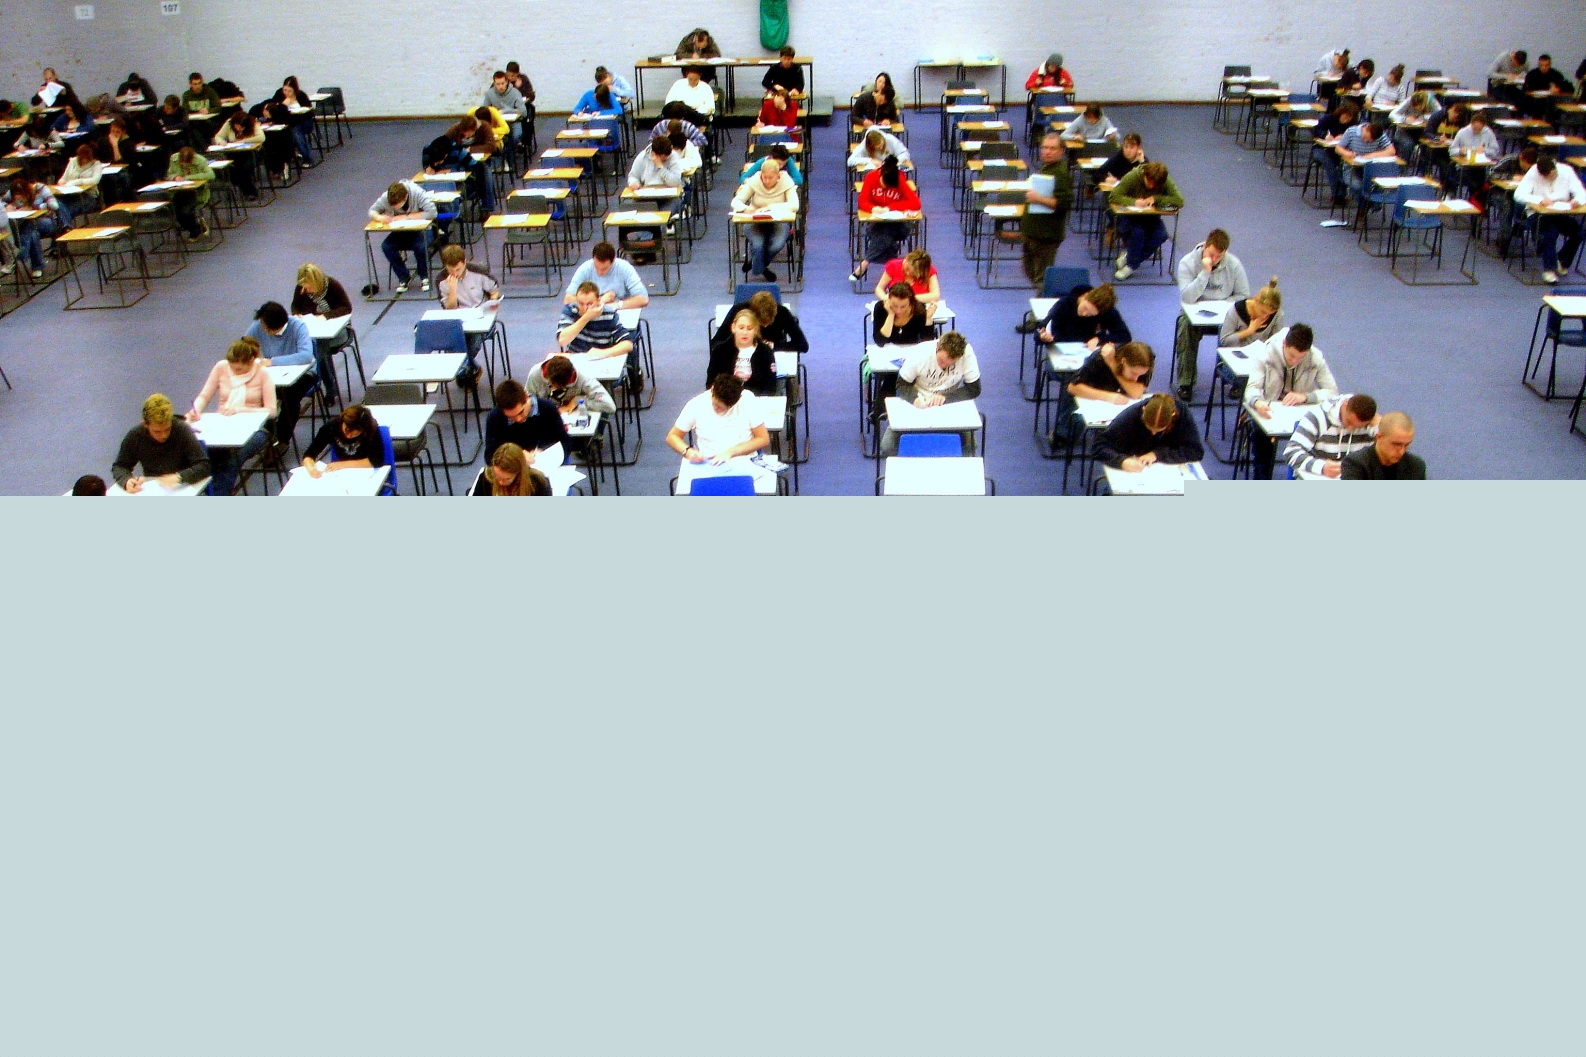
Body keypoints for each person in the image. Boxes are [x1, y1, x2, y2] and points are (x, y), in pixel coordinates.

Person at [1243, 324, 1338, 479]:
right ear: (1284, 344)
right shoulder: (1265, 354)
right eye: (1291, 356)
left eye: (1301, 357)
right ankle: (1261, 477)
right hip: (1269, 410)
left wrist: (1306, 397)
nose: (1295, 361)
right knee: (1261, 441)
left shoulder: (1315, 358)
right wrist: (1257, 402)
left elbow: (1332, 392)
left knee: (1320, 437)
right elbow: (1252, 388)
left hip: (1299, 411)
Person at [187, 337, 277, 495]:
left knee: (232, 459)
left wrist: (241, 410)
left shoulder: (263, 373)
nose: (235, 372)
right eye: (232, 368)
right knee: (208, 456)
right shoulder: (221, 367)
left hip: (256, 429)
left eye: (240, 369)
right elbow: (205, 396)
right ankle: (215, 492)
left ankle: (219, 495)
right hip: (224, 425)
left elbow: (271, 411)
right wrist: (196, 410)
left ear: (251, 361)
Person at [1172, 228, 1250, 398]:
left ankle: (1236, 379)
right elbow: (1187, 297)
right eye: (1211, 254)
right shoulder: (1187, 263)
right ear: (1205, 246)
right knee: (1184, 326)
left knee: (1244, 326)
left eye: (1219, 256)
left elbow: (1243, 297)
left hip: (1225, 316)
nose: (1214, 259)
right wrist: (1205, 272)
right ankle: (1186, 382)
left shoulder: (1234, 265)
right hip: (1194, 315)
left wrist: (1224, 305)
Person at [881, 331, 983, 456]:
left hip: (949, 403)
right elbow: (901, 384)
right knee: (887, 446)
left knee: (970, 445)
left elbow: (974, 389)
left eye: (951, 363)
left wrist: (945, 398)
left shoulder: (967, 354)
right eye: (941, 360)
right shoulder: (920, 352)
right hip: (919, 400)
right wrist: (914, 399)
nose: (943, 366)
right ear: (937, 347)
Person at [246, 300, 322, 441]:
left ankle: (282, 439)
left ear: (273, 329)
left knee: (290, 396)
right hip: (272, 375)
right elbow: (244, 347)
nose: (261, 327)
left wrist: (272, 361)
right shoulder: (258, 326)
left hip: (304, 374)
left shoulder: (298, 326)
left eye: (264, 326)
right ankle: (262, 434)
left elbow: (306, 356)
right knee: (253, 392)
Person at [112, 394, 211, 493]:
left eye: (167, 429)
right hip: (154, 488)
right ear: (145, 424)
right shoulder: (136, 435)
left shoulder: (181, 429)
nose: (163, 435)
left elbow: (204, 466)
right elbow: (120, 466)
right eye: (157, 432)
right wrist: (126, 480)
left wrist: (179, 477)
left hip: (184, 487)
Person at [436, 243, 502, 387]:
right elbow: (449, 309)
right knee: (450, 341)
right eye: (451, 269)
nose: (455, 273)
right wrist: (452, 290)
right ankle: (471, 368)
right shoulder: (441, 280)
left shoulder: (479, 272)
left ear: (465, 262)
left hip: (481, 317)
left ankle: (465, 368)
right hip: (458, 319)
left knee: (474, 339)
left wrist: (492, 303)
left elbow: (494, 291)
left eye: (458, 269)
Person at [668, 374, 770, 464]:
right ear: (712, 390)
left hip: (744, 460)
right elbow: (672, 436)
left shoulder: (747, 399)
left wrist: (731, 452)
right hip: (709, 462)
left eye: (723, 408)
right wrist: (688, 452)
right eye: (715, 405)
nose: (717, 410)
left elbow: (763, 439)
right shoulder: (696, 404)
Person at [1514, 154, 1586, 282]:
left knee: (1579, 233)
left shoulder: (1566, 171)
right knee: (1550, 232)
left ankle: (1561, 261)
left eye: (1553, 174)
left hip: (1560, 212)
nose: (1550, 177)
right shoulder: (1533, 172)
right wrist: (1539, 200)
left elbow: (1581, 192)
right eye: (1547, 176)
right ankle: (1549, 270)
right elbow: (1518, 195)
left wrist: (1578, 201)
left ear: (1555, 168)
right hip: (1537, 213)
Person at [1107, 161, 1184, 280]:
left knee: (1161, 235)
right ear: (1144, 174)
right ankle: (1131, 266)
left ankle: (1129, 258)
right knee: (1138, 233)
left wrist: (1156, 198)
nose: (1152, 186)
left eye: (1155, 185)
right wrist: (1134, 202)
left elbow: (1179, 201)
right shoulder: (1132, 176)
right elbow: (1113, 196)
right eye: (1149, 182)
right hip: (1129, 216)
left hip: (1150, 217)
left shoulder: (1164, 180)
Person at [1094, 392, 1204, 472]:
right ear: (1143, 411)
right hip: (1135, 468)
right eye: (1149, 428)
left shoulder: (1182, 413)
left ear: (1173, 415)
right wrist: (1122, 461)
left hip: (1167, 471)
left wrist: (1157, 454)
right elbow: (1099, 445)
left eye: (1160, 430)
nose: (1153, 433)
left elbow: (1196, 451)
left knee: (1198, 491)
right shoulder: (1131, 415)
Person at [851, 156, 921, 283]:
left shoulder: (899, 179)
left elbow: (916, 204)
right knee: (886, 234)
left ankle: (865, 263)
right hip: (877, 222)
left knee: (886, 230)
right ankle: (892, 270)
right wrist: (873, 208)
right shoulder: (871, 177)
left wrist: (890, 207)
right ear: (881, 174)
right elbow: (862, 201)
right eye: (884, 183)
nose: (885, 187)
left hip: (900, 224)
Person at [730, 158, 799, 282]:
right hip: (755, 221)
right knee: (758, 245)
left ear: (778, 176)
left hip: (778, 220)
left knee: (777, 244)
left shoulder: (786, 182)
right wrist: (747, 209)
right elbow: (735, 202)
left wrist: (770, 207)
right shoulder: (754, 181)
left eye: (770, 178)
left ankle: (755, 264)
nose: (766, 181)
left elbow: (794, 205)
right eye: (764, 177)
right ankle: (761, 267)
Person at [1021, 131, 1075, 286]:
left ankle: (1043, 301)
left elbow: (1065, 203)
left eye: (1052, 148)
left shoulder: (1060, 173)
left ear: (1061, 151)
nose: (1047, 151)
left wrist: (1038, 199)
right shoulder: (1048, 168)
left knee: (1042, 279)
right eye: (1044, 147)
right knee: (1032, 273)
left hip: (1046, 236)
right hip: (1033, 233)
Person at [1284, 393, 1379, 479]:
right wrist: (1322, 467)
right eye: (1349, 421)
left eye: (1357, 427)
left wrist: (1379, 428)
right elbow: (1291, 452)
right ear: (1345, 405)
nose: (1351, 428)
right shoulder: (1318, 416)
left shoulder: (1370, 424)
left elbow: (1383, 459)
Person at [368, 179, 436, 293]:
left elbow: (432, 212)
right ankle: (403, 276)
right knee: (387, 246)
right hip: (400, 230)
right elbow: (372, 210)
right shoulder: (386, 196)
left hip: (421, 229)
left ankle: (424, 277)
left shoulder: (417, 192)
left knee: (420, 247)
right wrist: (379, 217)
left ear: (406, 197)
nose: (395, 209)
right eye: (392, 206)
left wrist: (407, 216)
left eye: (397, 206)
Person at [484, 379, 570, 465]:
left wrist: (544, 452)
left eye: (521, 412)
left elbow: (566, 442)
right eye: (510, 417)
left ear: (526, 397)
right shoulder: (495, 417)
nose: (518, 419)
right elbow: (489, 456)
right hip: (515, 467)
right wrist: (515, 456)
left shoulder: (547, 408)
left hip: (548, 461)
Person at [301, 405, 388, 478]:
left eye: (354, 434)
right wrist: (312, 469)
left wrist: (342, 464)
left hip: (367, 472)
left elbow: (377, 461)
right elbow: (309, 455)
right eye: (346, 431)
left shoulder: (371, 429)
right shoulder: (331, 426)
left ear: (363, 430)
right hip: (342, 473)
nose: (348, 436)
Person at [1034, 283, 1130, 348]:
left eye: (1090, 314)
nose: (1084, 314)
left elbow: (1125, 336)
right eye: (1085, 308)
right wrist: (1044, 338)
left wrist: (1099, 339)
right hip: (1064, 349)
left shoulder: (1107, 311)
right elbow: (1040, 330)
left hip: (1089, 351)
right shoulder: (1063, 304)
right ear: (1084, 296)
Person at [707, 308, 777, 396]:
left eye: (749, 328)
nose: (745, 332)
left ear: (755, 330)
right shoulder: (719, 351)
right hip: (726, 398)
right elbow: (711, 382)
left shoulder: (766, 352)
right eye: (741, 328)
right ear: (733, 328)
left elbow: (771, 386)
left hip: (756, 398)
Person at [712, 290, 808, 353]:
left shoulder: (782, 312)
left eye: (769, 322)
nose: (765, 326)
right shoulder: (739, 311)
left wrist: (774, 346)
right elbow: (715, 343)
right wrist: (740, 345)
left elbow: (803, 345)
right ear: (752, 314)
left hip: (771, 356)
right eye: (761, 323)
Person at [557, 281, 635, 359]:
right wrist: (586, 318)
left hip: (600, 359)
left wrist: (604, 353)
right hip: (575, 357)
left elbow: (628, 344)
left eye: (589, 304)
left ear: (598, 301)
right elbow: (562, 340)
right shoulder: (571, 310)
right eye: (581, 303)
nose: (585, 308)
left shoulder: (609, 314)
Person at [563, 241, 649, 309]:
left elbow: (643, 299)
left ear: (613, 261)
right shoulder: (585, 268)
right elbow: (568, 298)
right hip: (591, 313)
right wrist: (599, 301)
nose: (600, 272)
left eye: (604, 269)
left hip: (620, 312)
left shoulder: (624, 268)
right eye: (596, 267)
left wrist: (617, 305)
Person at [525, 354, 617, 417]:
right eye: (550, 385)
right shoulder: (535, 374)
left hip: (574, 417)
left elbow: (610, 406)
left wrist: (579, 401)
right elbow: (527, 403)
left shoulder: (583, 377)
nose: (552, 388)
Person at [3, 176, 59, 279]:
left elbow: (54, 205)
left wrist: (32, 208)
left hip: (47, 222)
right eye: (16, 194)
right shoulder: (12, 192)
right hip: (28, 226)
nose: (19, 197)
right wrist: (7, 207)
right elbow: (2, 202)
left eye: (22, 194)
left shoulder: (40, 189)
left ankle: (21, 252)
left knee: (29, 224)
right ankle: (37, 267)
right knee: (33, 233)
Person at [1341, 412, 1425, 479]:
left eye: (1406, 445)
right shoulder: (1355, 464)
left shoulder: (1415, 466)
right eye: (1396, 444)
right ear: (1379, 437)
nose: (1402, 451)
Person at [1068, 341, 1153, 404]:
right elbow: (1072, 387)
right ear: (1123, 361)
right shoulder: (1100, 357)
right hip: (1094, 405)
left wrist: (1112, 364)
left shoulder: (1144, 364)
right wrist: (1107, 396)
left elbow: (1136, 394)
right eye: (1133, 373)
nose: (1136, 379)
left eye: (1140, 375)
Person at [1312, 101, 1362, 206]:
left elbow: (1357, 137)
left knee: (1346, 163)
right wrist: (1325, 135)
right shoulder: (1329, 118)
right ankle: (1338, 195)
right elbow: (1316, 130)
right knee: (1330, 163)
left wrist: (1344, 137)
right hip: (1321, 149)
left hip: (1340, 151)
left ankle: (1347, 192)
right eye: (1345, 117)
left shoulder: (1353, 124)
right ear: (1341, 112)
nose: (1346, 120)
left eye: (1349, 118)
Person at [1335, 120, 1396, 205]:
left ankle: (1368, 205)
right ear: (1366, 129)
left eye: (1370, 141)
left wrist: (1372, 155)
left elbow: (1392, 151)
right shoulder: (1351, 131)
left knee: (1379, 185)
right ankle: (1366, 205)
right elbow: (1338, 148)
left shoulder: (1380, 134)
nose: (1366, 141)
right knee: (1358, 185)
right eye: (1365, 138)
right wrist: (1347, 153)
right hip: (1351, 167)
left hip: (1370, 167)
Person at [165, 145, 214, 242]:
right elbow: (169, 174)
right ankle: (197, 227)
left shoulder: (200, 160)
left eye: (186, 163)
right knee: (174, 211)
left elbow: (211, 175)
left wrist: (188, 178)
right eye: (182, 163)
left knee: (185, 212)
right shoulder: (174, 158)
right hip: (179, 191)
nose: (184, 165)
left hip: (197, 192)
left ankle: (195, 230)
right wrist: (175, 177)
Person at [1218, 277, 1284, 349]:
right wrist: (1249, 331)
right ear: (1255, 300)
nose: (1265, 316)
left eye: (1270, 314)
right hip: (1237, 351)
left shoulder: (1277, 314)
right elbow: (1224, 341)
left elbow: (1276, 343)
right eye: (1263, 312)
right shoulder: (1236, 310)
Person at [212, 109, 265, 199]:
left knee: (244, 168)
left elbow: (261, 137)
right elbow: (218, 136)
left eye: (242, 128)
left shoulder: (252, 122)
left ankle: (250, 192)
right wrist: (220, 142)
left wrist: (244, 140)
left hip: (252, 152)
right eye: (237, 126)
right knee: (233, 168)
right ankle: (248, 190)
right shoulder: (229, 123)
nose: (239, 129)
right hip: (235, 152)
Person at [469, 442, 553, 496]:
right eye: (497, 476)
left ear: (519, 472)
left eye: (507, 479)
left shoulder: (538, 482)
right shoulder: (486, 477)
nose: (500, 482)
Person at [872, 283, 939, 346]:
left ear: (910, 303)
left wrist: (927, 318)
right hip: (886, 350)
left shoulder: (918, 310)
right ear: (888, 300)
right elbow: (880, 341)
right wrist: (891, 315)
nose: (898, 310)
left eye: (903, 306)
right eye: (895, 306)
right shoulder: (880, 308)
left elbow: (927, 342)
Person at [270, 77, 316, 165]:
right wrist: (283, 105)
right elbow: (273, 109)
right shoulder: (279, 94)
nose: (286, 93)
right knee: (278, 133)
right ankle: (287, 156)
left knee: (297, 133)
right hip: (286, 121)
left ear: (294, 90)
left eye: (289, 91)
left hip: (302, 121)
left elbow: (309, 112)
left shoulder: (301, 95)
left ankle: (308, 159)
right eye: (285, 90)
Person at [873, 249, 941, 304]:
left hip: (920, 307)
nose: (907, 273)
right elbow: (879, 288)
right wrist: (884, 298)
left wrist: (908, 299)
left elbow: (935, 295)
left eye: (913, 273)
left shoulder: (928, 270)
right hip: (895, 307)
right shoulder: (893, 265)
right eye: (907, 268)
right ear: (906, 259)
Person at [58, 143, 104, 224]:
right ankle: (66, 225)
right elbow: (64, 178)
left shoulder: (97, 164)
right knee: (57, 202)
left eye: (87, 159)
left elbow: (95, 180)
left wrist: (78, 182)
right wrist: (61, 181)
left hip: (87, 195)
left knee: (69, 209)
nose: (84, 160)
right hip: (70, 194)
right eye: (82, 158)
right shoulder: (73, 161)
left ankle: (65, 225)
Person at [484, 71, 527, 153]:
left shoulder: (515, 92)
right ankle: (505, 154)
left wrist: (507, 110)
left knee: (516, 136)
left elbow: (524, 112)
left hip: (514, 121)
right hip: (497, 122)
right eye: (498, 84)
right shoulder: (489, 93)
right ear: (494, 84)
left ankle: (510, 153)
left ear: (507, 82)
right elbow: (484, 111)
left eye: (502, 83)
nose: (500, 86)